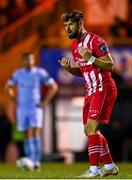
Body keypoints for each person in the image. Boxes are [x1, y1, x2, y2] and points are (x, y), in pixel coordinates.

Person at [59, 10, 119, 177]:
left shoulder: (96, 40)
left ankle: (94, 170)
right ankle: (109, 165)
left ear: (80, 23)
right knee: (90, 131)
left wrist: (91, 58)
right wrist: (70, 69)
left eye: (70, 24)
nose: (67, 28)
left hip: (103, 87)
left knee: (91, 128)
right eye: (65, 25)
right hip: (90, 90)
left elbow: (109, 65)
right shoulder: (74, 46)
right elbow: (84, 71)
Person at [6, 52, 58, 170]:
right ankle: (29, 160)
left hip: (35, 108)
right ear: (23, 61)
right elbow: (8, 86)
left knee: (35, 133)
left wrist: (44, 101)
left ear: (33, 60)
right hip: (22, 108)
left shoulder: (40, 73)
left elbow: (53, 86)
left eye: (31, 59)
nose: (29, 62)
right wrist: (14, 98)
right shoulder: (18, 74)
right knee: (25, 135)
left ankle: (36, 162)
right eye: (26, 60)